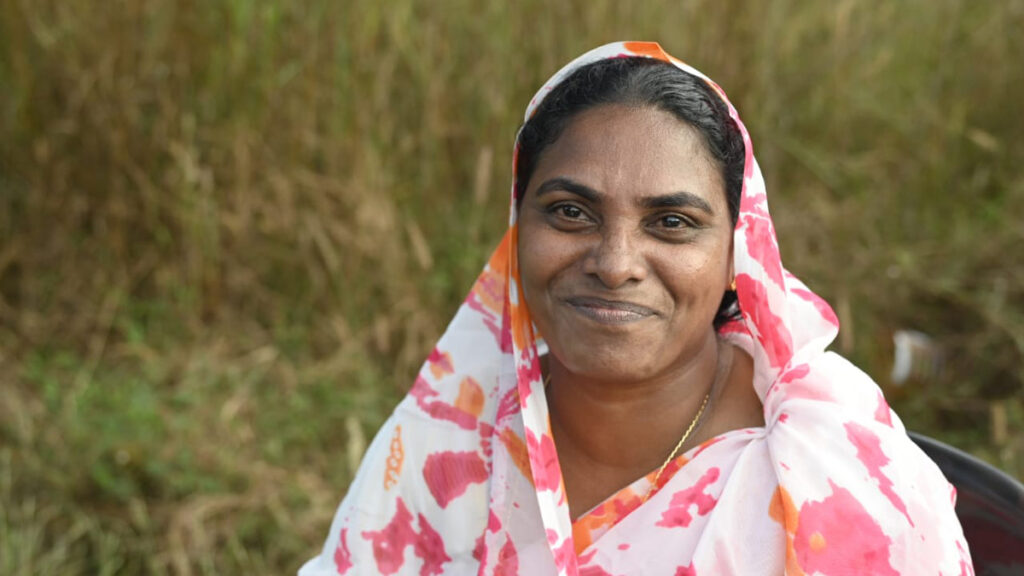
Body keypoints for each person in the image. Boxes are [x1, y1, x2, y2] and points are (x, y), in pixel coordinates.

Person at [299, 41, 972, 575]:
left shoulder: (831, 479)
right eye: (570, 212)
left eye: (672, 222)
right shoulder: (458, 432)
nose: (615, 262)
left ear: (738, 248)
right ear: (516, 228)